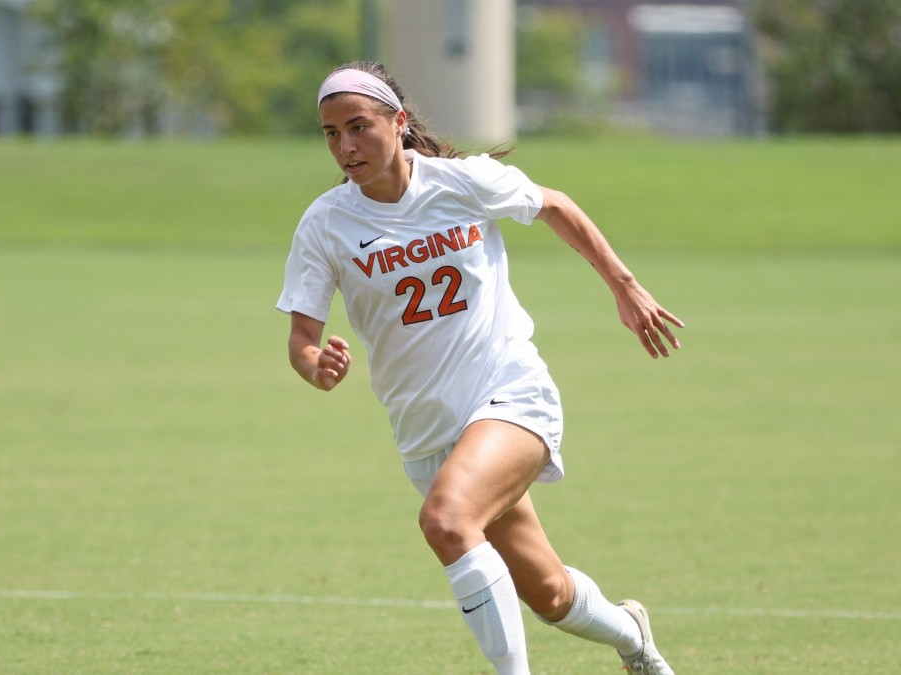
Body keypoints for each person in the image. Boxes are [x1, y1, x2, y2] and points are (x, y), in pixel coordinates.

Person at [276, 61, 684, 674]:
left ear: (399, 121)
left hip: (510, 394)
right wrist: (316, 365)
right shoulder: (326, 224)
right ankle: (633, 637)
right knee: (548, 593)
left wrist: (624, 287)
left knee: (446, 520)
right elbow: (302, 336)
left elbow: (554, 206)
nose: (346, 146)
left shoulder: (462, 182)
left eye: (358, 126)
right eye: (331, 134)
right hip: (427, 434)